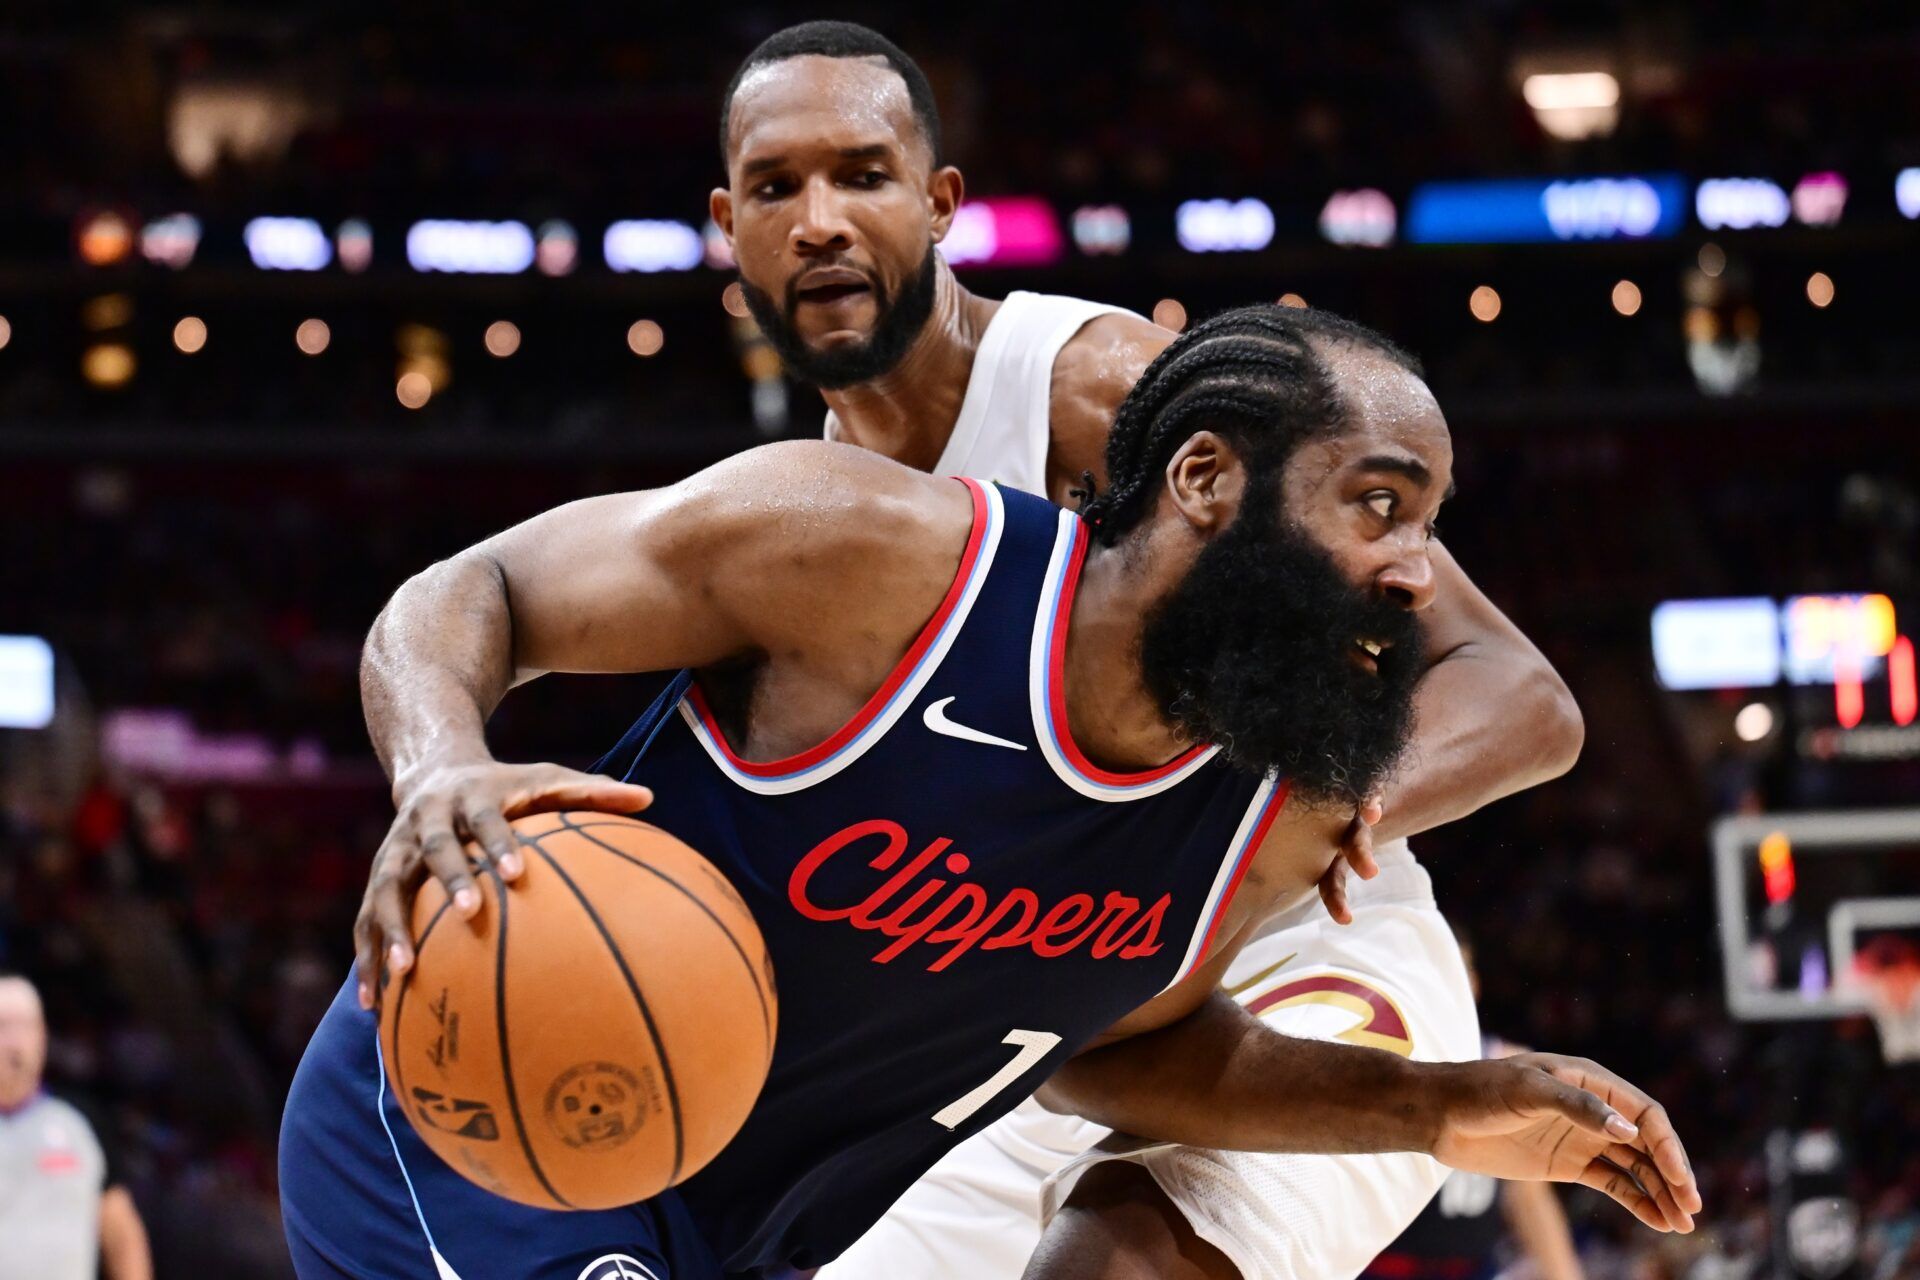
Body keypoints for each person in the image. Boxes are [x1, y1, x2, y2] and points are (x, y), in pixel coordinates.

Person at [283, 303, 1697, 1279]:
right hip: (471, 1109)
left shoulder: (1258, 816)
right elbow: (471, 594)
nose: (1412, 571)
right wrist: (441, 767)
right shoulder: (875, 560)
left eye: (1429, 525)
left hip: (729, 1225)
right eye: (1380, 505)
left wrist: (1445, 1105)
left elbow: (1116, 1052)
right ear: (1204, 477)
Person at [693, 22, 1596, 1280]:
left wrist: (1327, 819)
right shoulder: (797, 527)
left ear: (943, 204)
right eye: (780, 188)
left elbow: (1518, 692)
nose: (823, 221)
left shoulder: (1110, 396)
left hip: (1300, 969)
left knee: (1111, 1261)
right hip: (1036, 1039)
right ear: (728, 234)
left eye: (861, 174)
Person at [0, 972, 153, 1280]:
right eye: (2, 1026)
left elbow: (121, 1232)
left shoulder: (81, 1121)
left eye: (24, 1026)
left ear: (43, 1036)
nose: (13, 1042)